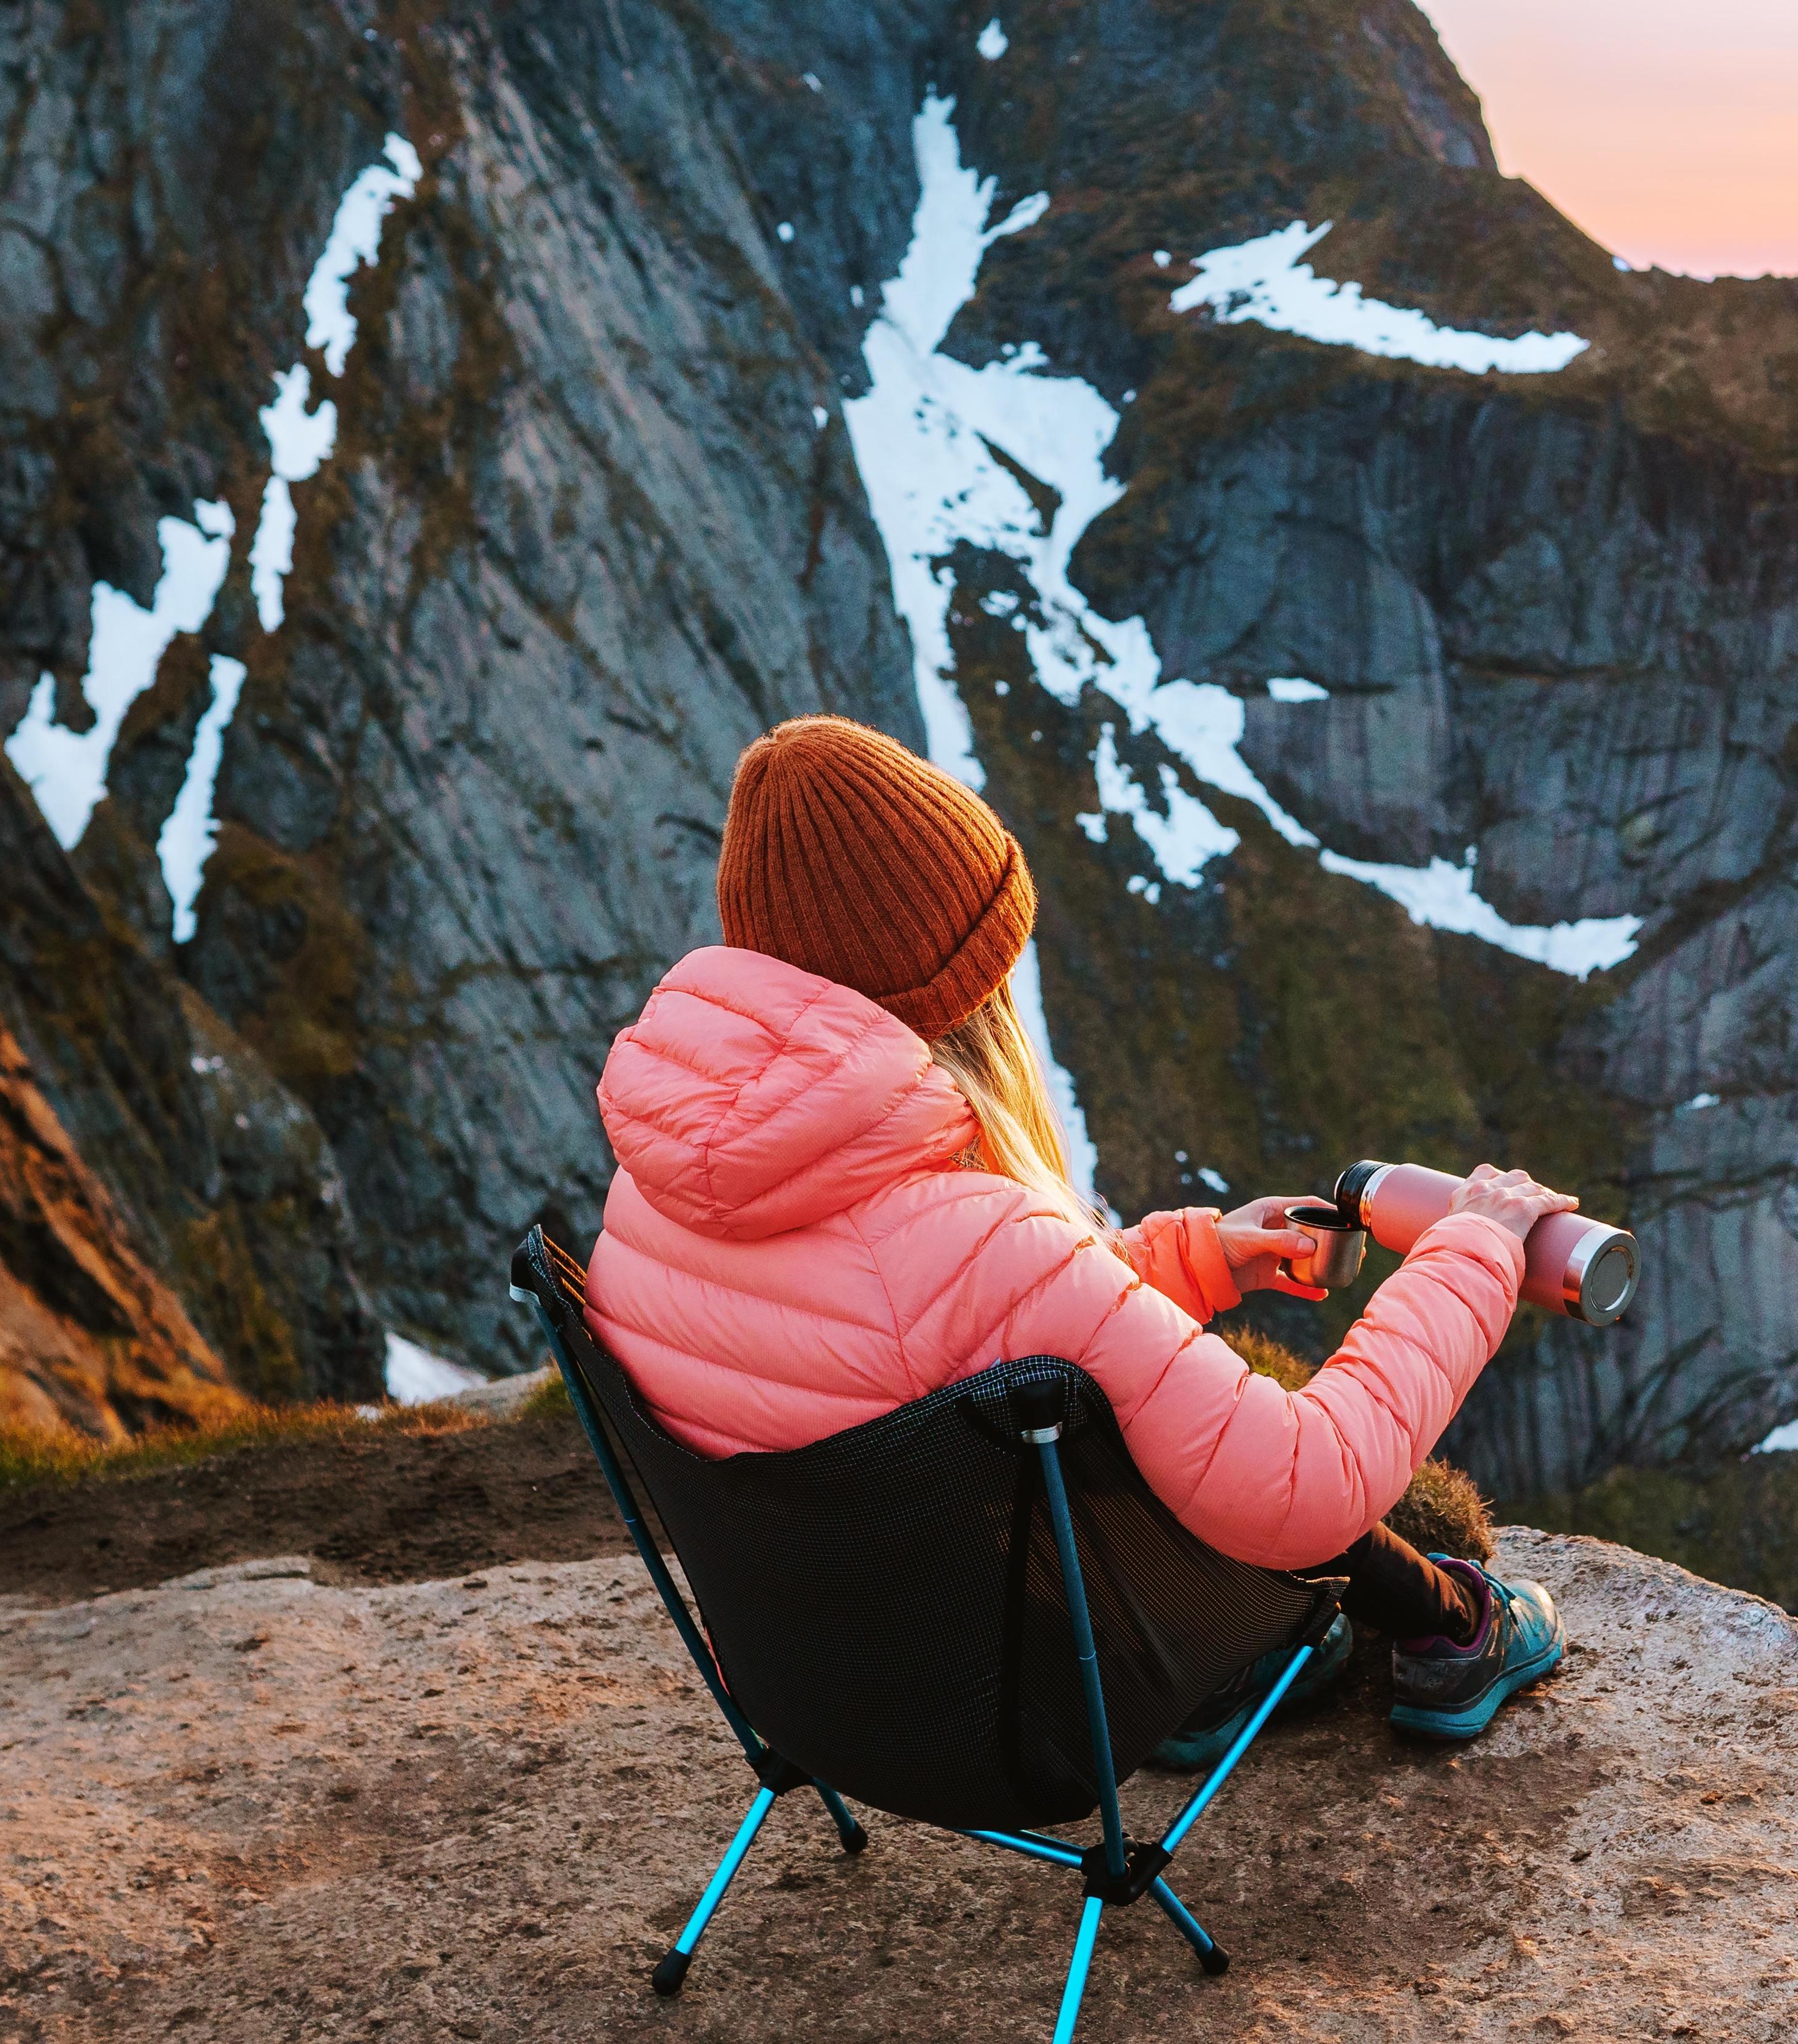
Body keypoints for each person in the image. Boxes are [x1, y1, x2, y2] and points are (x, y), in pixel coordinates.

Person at [583, 715, 1570, 1744]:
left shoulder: (647, 1197)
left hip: (813, 1691)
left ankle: (1232, 1676)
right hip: (1014, 1718)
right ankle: (1447, 1635)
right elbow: (1306, 1485)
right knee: (1182, 1454)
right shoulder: (980, 1239)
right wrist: (1476, 1250)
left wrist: (1193, 1256)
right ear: (965, 993)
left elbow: (950, 1315)